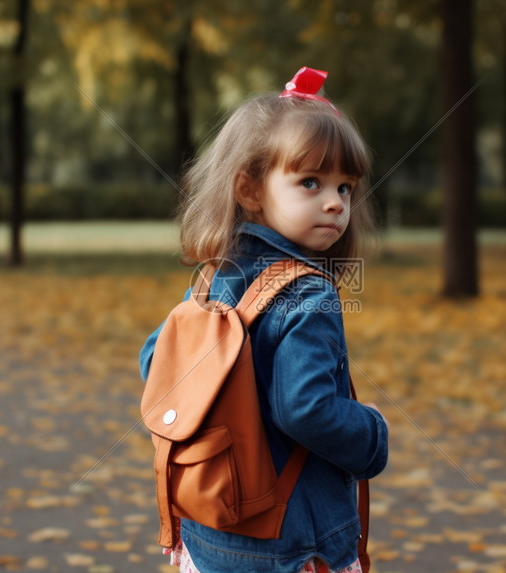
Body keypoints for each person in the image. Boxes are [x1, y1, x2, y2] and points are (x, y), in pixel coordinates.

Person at [139, 67, 389, 573]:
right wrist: (372, 434)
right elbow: (304, 408)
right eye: (311, 182)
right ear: (250, 190)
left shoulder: (214, 277)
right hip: (294, 545)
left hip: (209, 533)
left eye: (345, 188)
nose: (334, 203)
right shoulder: (310, 292)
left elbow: (154, 360)